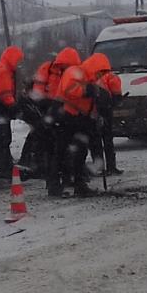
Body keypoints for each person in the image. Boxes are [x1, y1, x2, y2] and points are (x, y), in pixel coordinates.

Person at [51, 54, 97, 197]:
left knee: (74, 151)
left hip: (69, 117)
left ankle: (71, 183)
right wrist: (88, 91)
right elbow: (70, 91)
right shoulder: (74, 73)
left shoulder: (79, 75)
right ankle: (60, 184)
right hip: (66, 117)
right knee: (63, 151)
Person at [43, 47, 82, 196]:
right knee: (60, 151)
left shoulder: (61, 75)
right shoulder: (72, 75)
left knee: (58, 151)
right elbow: (71, 96)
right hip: (61, 116)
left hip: (56, 115)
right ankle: (57, 183)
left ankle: (58, 182)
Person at [0, 45, 24, 179]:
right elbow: (5, 92)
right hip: (0, 108)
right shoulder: (4, 70)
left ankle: (5, 164)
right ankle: (5, 167)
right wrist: (13, 105)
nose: (19, 64)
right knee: (4, 137)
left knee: (2, 137)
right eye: (18, 61)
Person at [83, 52, 123, 176]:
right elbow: (117, 94)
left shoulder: (88, 77)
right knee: (108, 139)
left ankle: (99, 166)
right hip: (106, 110)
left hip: (91, 111)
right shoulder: (111, 77)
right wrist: (115, 102)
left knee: (95, 141)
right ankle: (111, 166)